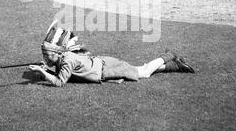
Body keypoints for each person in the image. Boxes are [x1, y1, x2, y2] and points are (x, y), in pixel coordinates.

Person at [29, 20, 195, 87]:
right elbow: (61, 73)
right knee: (140, 68)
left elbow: (59, 82)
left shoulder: (67, 61)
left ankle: (169, 56)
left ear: (57, 53)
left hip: (108, 69)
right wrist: (47, 68)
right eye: (44, 55)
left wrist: (42, 72)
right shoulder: (63, 58)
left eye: (47, 55)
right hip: (104, 64)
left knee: (143, 72)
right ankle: (174, 66)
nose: (45, 58)